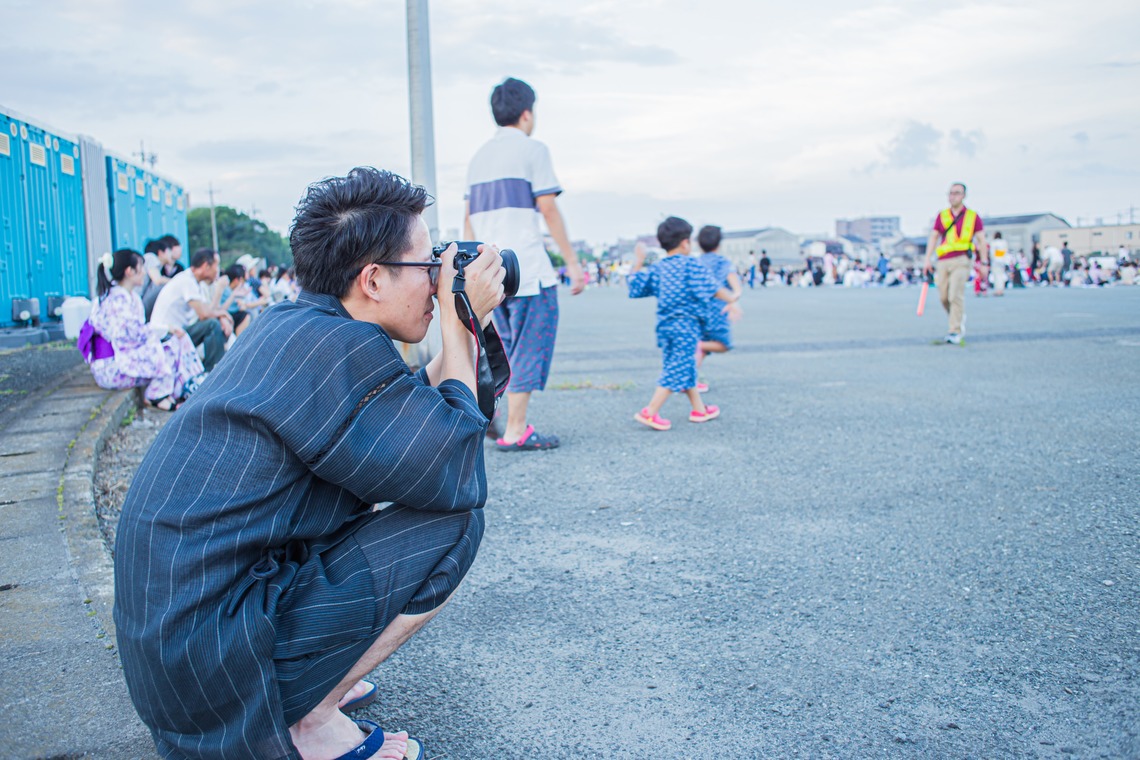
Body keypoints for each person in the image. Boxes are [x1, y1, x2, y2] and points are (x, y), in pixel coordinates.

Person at [114, 167, 506, 760]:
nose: (437, 283)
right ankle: (308, 719)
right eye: (430, 268)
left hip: (183, 662)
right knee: (453, 524)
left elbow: (399, 419)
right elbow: (450, 469)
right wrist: (459, 327)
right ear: (372, 279)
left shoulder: (294, 327)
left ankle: (310, 690)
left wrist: (461, 328)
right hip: (220, 674)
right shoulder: (337, 346)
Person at [464, 76, 584, 451]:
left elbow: (468, 218)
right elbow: (547, 208)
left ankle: (495, 417)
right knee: (529, 347)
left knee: (503, 348)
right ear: (527, 113)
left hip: (492, 269)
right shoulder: (533, 150)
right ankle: (515, 430)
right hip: (529, 270)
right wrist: (573, 263)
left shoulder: (478, 158)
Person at [629, 217, 736, 431]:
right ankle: (650, 411)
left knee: (684, 365)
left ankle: (699, 409)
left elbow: (635, 287)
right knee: (677, 368)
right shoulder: (691, 265)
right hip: (686, 326)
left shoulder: (659, 268)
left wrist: (638, 261)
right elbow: (712, 287)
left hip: (665, 326)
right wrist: (733, 298)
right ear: (685, 243)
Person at [84, 249, 205, 411]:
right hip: (111, 367)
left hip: (117, 359)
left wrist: (163, 332)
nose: (144, 273)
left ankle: (180, 387)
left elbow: (135, 333)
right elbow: (131, 335)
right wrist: (164, 330)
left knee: (173, 343)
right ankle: (158, 395)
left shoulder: (123, 296)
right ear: (129, 271)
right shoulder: (117, 300)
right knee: (170, 348)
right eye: (141, 268)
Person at [924, 182, 988, 345]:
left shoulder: (973, 216)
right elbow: (934, 237)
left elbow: (981, 240)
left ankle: (954, 330)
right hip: (943, 260)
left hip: (962, 259)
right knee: (944, 296)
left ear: (964, 195)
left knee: (955, 295)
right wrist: (927, 259)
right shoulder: (942, 215)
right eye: (951, 193)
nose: (953, 196)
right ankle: (957, 316)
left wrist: (984, 263)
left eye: (957, 193)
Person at [150, 248, 234, 370]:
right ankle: (212, 372)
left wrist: (221, 315)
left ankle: (214, 369)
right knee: (212, 325)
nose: (218, 272)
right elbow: (204, 315)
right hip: (166, 335)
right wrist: (223, 314)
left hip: (178, 332)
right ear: (206, 266)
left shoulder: (195, 282)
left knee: (214, 324)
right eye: (216, 266)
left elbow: (209, 310)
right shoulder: (187, 281)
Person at [694, 225, 743, 392]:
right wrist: (733, 301)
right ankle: (697, 346)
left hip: (697, 311)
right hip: (717, 311)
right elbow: (736, 289)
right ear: (719, 244)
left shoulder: (696, 263)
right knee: (723, 345)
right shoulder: (724, 263)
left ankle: (690, 380)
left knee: (703, 350)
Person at [990, 232, 1009, 296]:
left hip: (996, 260)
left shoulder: (993, 242)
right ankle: (1001, 289)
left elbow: (992, 253)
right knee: (1001, 275)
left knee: (996, 276)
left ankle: (997, 290)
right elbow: (1006, 252)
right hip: (1002, 260)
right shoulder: (1004, 242)